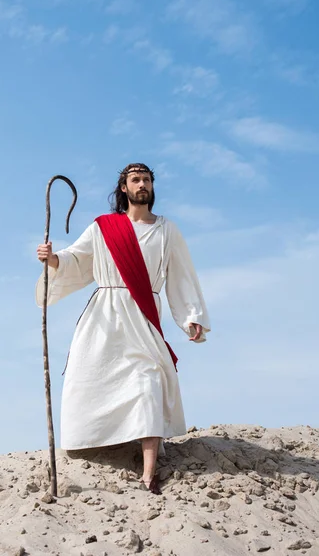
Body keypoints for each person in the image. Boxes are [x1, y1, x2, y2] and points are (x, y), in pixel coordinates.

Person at [36, 163, 210, 494]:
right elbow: (76, 259)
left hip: (144, 318)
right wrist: (52, 257)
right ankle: (93, 446)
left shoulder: (166, 230)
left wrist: (191, 316)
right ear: (124, 189)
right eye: (135, 180)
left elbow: (182, 275)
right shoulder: (105, 227)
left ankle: (148, 473)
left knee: (148, 384)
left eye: (146, 179)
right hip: (105, 317)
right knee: (88, 381)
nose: (142, 184)